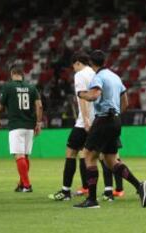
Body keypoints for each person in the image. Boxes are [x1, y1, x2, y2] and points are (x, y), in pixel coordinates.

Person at [74, 50, 146, 208]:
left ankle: (92, 200)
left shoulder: (98, 77)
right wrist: (115, 115)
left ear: (91, 63)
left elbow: (94, 95)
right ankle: (139, 186)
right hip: (115, 119)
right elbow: (125, 102)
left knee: (88, 155)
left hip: (104, 119)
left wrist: (81, 94)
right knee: (111, 160)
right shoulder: (115, 76)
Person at [48, 51, 95, 201]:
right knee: (96, 156)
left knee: (71, 153)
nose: (74, 69)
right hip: (98, 120)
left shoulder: (80, 75)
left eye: (73, 66)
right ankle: (104, 190)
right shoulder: (95, 73)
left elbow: (82, 98)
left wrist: (86, 119)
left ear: (77, 63)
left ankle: (65, 191)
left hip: (84, 122)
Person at [0, 64, 43, 192]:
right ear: (22, 75)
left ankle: (27, 185)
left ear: (12, 74)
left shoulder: (8, 87)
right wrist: (38, 123)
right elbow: (39, 106)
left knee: (19, 156)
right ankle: (22, 183)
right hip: (30, 126)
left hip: (16, 126)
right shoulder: (32, 87)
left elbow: (0, 107)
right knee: (25, 156)